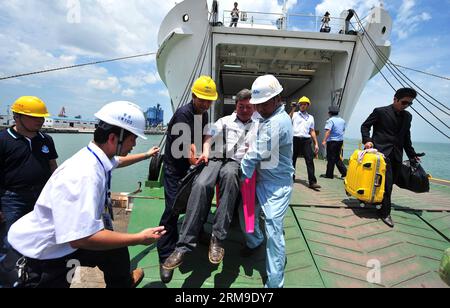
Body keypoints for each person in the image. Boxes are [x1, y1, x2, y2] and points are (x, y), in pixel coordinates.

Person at [6, 101, 165, 288]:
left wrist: (146, 155)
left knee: (115, 250)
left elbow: (119, 161)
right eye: (133, 139)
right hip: (44, 255)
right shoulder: (84, 174)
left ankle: (123, 282)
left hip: (65, 240)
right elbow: (81, 238)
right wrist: (139, 238)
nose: (134, 145)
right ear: (114, 139)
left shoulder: (97, 157)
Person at [162, 89, 257, 271]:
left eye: (248, 107)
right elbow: (208, 136)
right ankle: (183, 246)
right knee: (201, 184)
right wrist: (205, 151)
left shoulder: (257, 126)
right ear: (236, 106)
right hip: (214, 157)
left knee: (229, 180)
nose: (244, 110)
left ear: (254, 108)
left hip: (234, 162)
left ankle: (218, 239)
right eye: (241, 106)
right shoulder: (224, 120)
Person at [158, 76, 217, 284]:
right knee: (172, 210)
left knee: (198, 201)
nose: (205, 103)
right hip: (176, 168)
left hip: (192, 167)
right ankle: (165, 256)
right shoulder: (183, 114)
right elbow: (189, 149)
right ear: (193, 96)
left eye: (209, 100)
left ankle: (197, 231)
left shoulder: (204, 112)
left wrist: (205, 152)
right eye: (202, 99)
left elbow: (202, 138)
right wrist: (201, 158)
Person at [240, 75, 294, 288]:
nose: (259, 108)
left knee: (273, 231)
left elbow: (253, 155)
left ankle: (274, 284)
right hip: (261, 180)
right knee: (247, 214)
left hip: (276, 187)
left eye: (263, 104)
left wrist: (240, 178)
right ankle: (255, 241)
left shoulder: (277, 123)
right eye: (258, 105)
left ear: (277, 99)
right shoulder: (266, 118)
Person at [0, 96, 58, 286]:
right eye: (34, 117)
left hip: (41, 197)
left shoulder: (46, 140)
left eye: (41, 117)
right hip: (12, 198)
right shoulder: (3, 140)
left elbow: (52, 167)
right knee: (11, 241)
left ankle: (33, 275)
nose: (40, 120)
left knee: (41, 237)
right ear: (17, 117)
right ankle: (9, 280)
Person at [361, 88, 420, 228]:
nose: (406, 105)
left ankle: (377, 202)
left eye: (409, 103)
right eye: (404, 102)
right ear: (395, 99)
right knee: (386, 184)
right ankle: (385, 213)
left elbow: (406, 137)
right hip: (380, 154)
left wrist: (412, 155)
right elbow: (365, 126)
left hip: (397, 155)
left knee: (389, 183)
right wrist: (367, 140)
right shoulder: (380, 111)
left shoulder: (408, 117)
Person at [289, 96, 321, 189]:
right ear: (299, 105)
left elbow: (312, 130)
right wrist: (293, 108)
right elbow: (287, 119)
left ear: (308, 106)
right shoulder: (294, 114)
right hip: (295, 139)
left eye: (305, 104)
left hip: (306, 140)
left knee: (309, 160)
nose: (303, 106)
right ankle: (291, 178)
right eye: (301, 104)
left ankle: (312, 182)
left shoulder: (310, 117)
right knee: (292, 159)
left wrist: (316, 143)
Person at [321, 105, 347, 179]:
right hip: (340, 141)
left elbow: (328, 131)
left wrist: (324, 141)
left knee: (330, 158)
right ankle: (344, 173)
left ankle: (329, 175)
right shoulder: (342, 120)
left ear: (329, 113)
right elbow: (343, 130)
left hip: (332, 141)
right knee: (336, 157)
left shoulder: (330, 120)